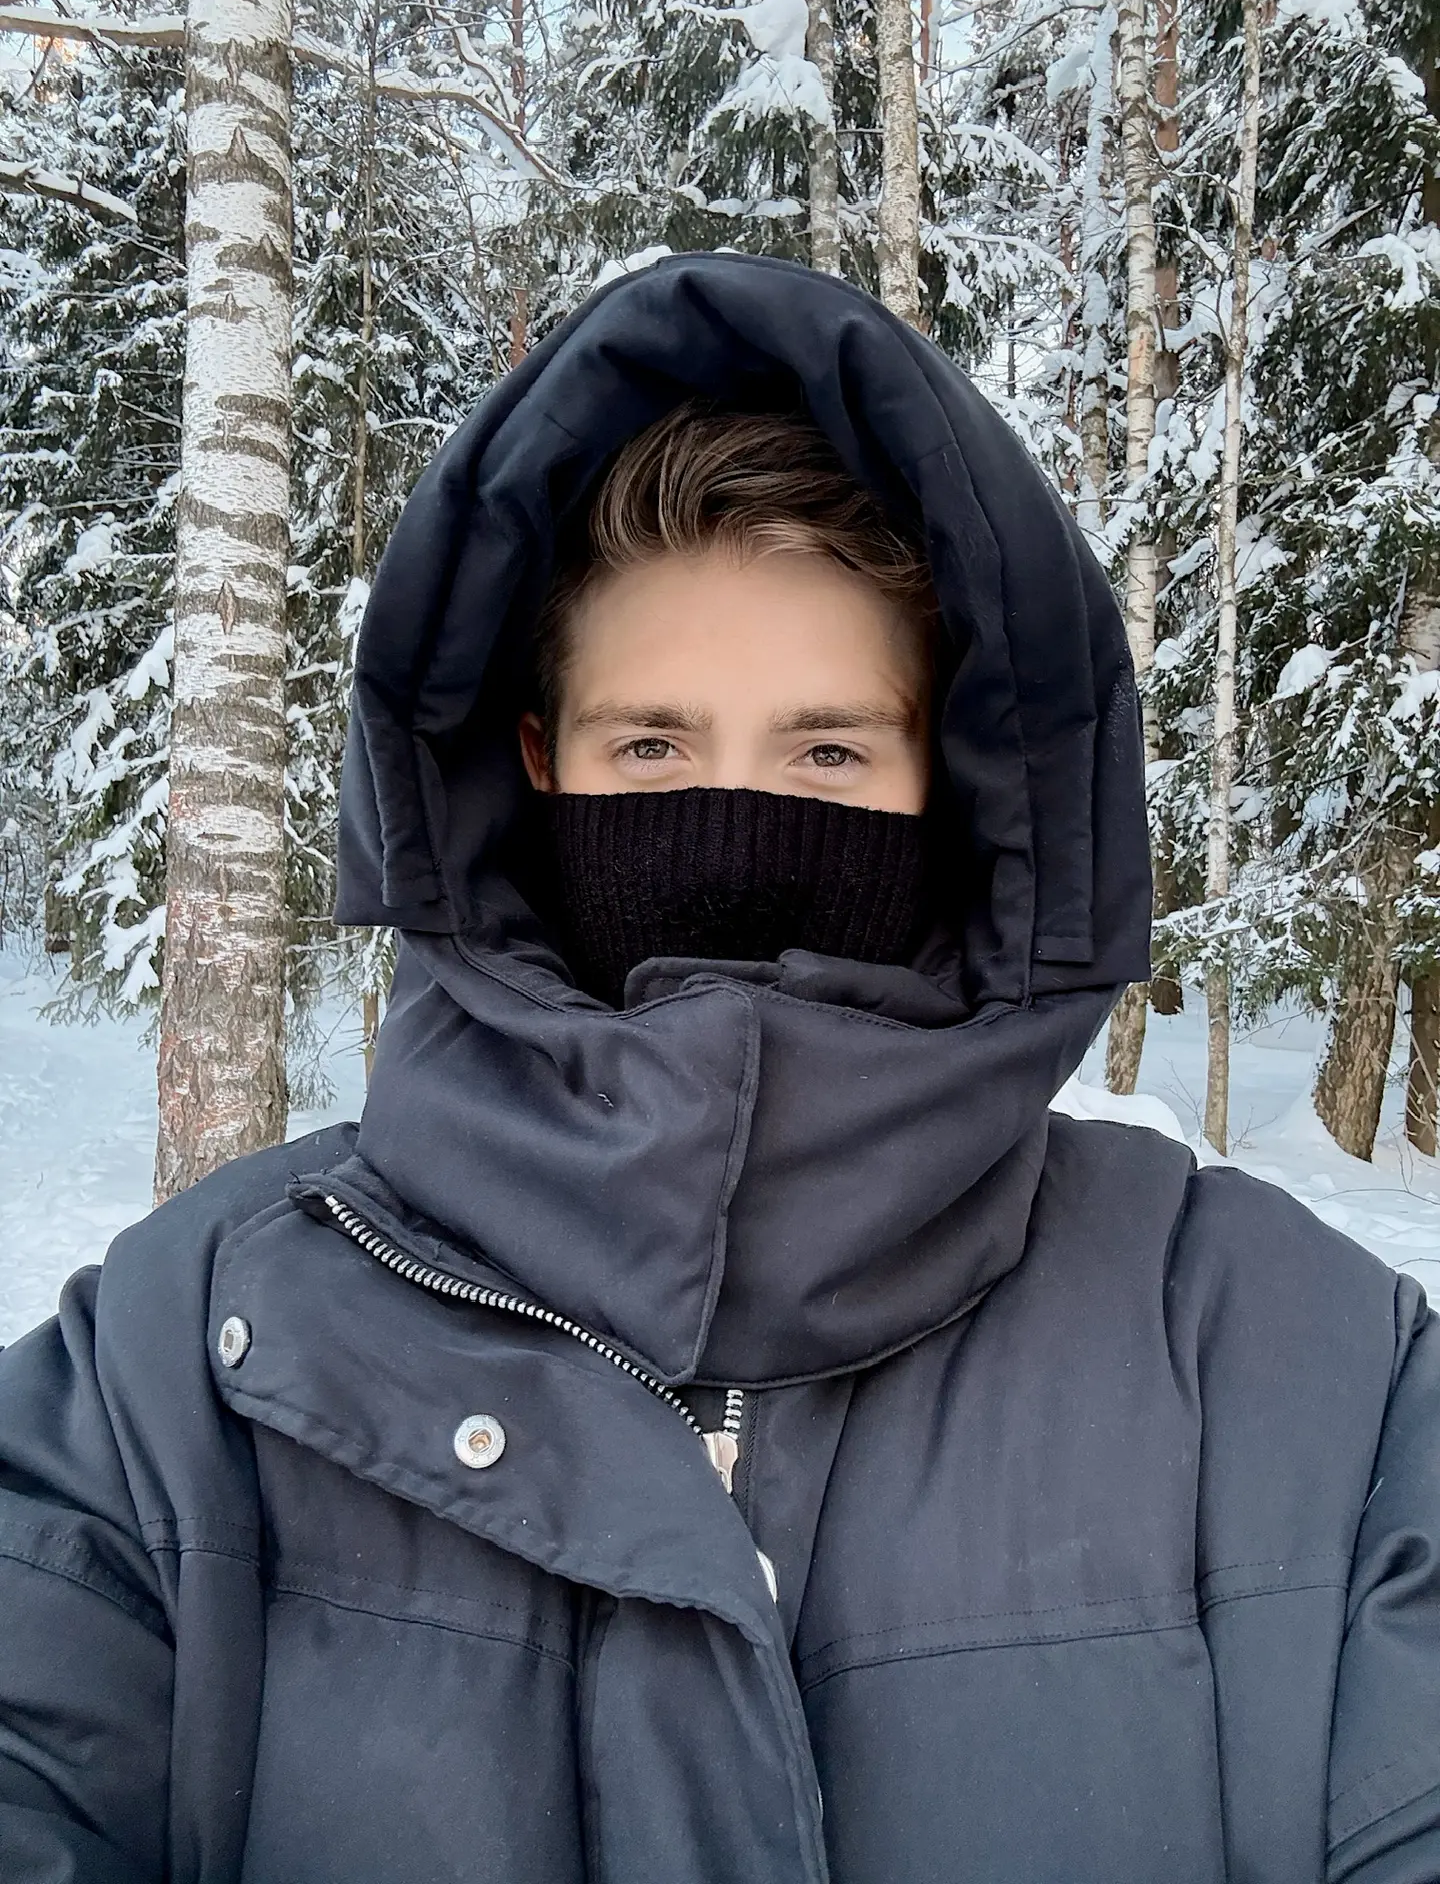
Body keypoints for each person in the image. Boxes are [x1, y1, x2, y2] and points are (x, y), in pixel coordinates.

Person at [0, 252, 1436, 1884]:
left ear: (948, 785)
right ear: (533, 767)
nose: (734, 831)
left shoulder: (1288, 1366)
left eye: (827, 751)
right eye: (652, 748)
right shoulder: (180, 1367)